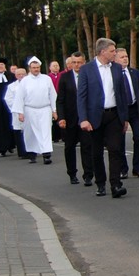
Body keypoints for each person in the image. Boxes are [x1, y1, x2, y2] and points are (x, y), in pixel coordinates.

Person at [77, 37, 131, 198]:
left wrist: (125, 117)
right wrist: (83, 118)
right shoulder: (87, 69)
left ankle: (116, 184)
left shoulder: (116, 68)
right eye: (112, 51)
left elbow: (122, 93)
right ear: (102, 52)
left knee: (115, 149)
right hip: (95, 116)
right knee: (96, 151)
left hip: (114, 115)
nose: (115, 53)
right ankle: (100, 183)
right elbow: (82, 96)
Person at [12, 56, 57, 164]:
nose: (36, 69)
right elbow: (19, 97)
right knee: (31, 132)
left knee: (45, 131)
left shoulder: (47, 79)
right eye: (33, 67)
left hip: (45, 109)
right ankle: (32, 153)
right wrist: (20, 112)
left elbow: (52, 95)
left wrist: (54, 110)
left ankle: (47, 154)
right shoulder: (25, 81)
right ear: (29, 68)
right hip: (30, 109)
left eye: (37, 67)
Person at [57, 53, 94, 185]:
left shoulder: (89, 75)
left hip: (86, 118)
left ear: (84, 62)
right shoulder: (65, 78)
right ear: (70, 63)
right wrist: (61, 117)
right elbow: (60, 100)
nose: (77, 65)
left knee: (87, 146)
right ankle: (72, 173)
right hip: (70, 118)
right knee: (69, 147)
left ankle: (88, 174)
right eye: (74, 62)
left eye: (79, 62)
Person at [115, 48, 139, 178]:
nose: (125, 59)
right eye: (121, 57)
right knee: (120, 140)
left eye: (126, 56)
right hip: (121, 110)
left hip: (134, 109)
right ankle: (123, 168)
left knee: (138, 137)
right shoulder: (114, 74)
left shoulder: (134, 73)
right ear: (115, 59)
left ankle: (137, 167)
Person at [4, 67, 28, 160]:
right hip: (17, 111)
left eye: (23, 74)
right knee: (19, 132)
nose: (21, 76)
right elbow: (8, 99)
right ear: (15, 75)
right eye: (19, 74)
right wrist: (18, 105)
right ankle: (22, 152)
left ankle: (32, 151)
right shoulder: (11, 86)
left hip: (29, 110)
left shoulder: (30, 84)